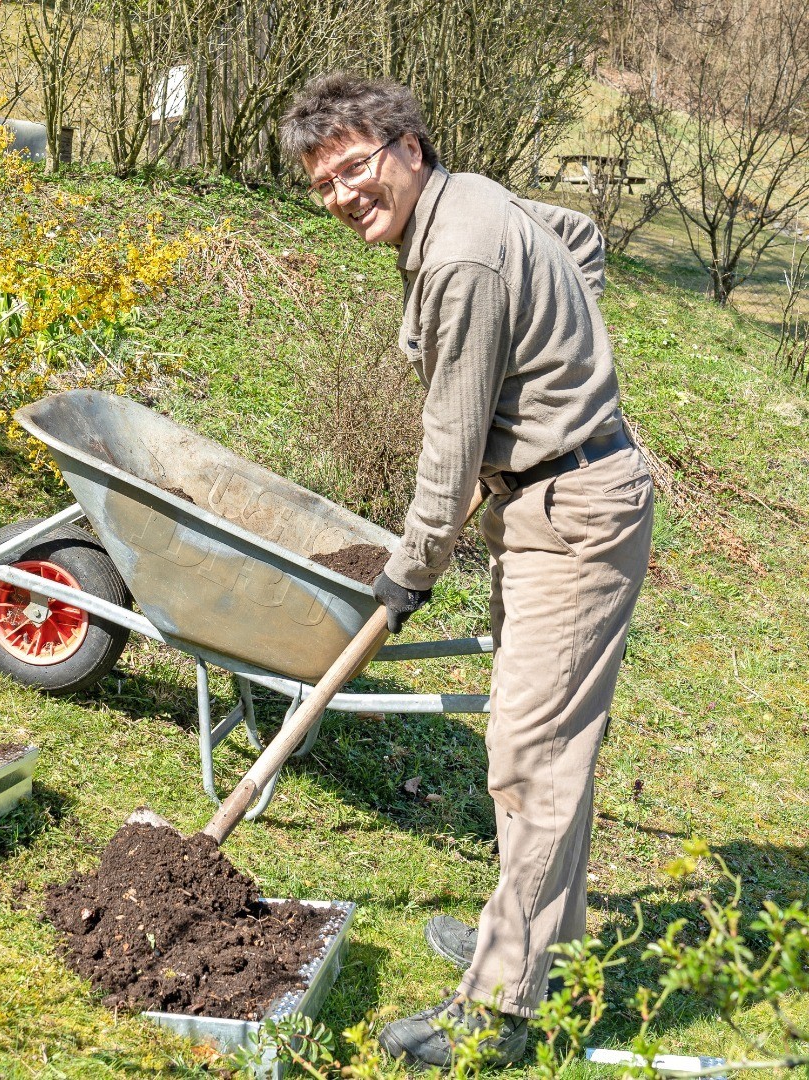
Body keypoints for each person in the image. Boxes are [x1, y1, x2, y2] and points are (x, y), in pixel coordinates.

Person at [279, 73, 655, 1068]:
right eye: (325, 184)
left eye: (355, 167)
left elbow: (448, 442)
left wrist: (410, 573)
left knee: (534, 764)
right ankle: (537, 944)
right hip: (548, 496)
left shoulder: (457, 256)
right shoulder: (477, 200)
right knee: (540, 753)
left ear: (407, 146)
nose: (344, 194)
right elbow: (578, 240)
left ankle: (499, 1011)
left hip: (571, 514)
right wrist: (550, 374)